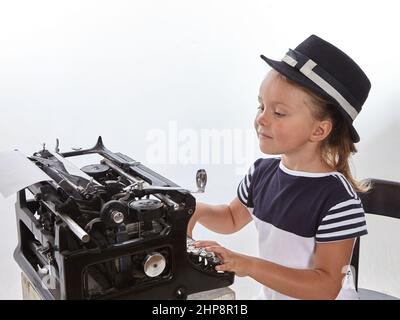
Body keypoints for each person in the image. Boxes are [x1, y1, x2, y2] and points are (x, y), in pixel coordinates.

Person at [187, 34, 371, 300]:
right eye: (261, 106)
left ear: (319, 129)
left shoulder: (339, 202)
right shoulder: (262, 172)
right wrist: (196, 210)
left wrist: (247, 265)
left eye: (279, 113)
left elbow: (325, 287)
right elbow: (230, 218)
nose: (261, 118)